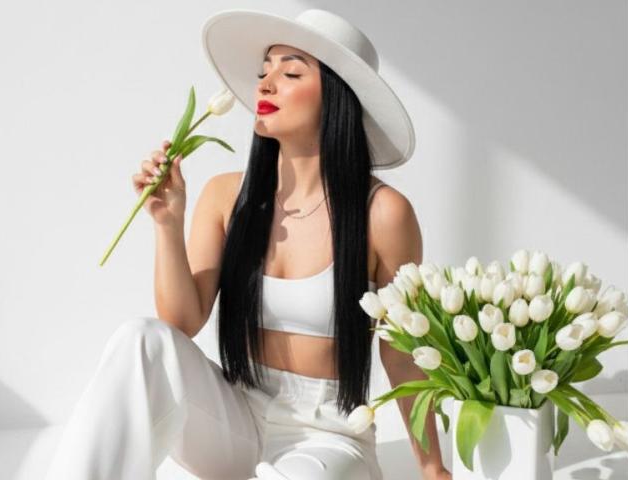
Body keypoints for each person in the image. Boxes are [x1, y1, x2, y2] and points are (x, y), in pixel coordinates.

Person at [44, 8, 451, 480]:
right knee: (140, 339)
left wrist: (433, 469)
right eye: (264, 72)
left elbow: (402, 354)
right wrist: (167, 224)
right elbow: (180, 324)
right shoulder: (226, 195)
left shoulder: (383, 214)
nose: (266, 84)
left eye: (291, 72)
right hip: (234, 418)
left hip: (327, 437)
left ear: (336, 97)